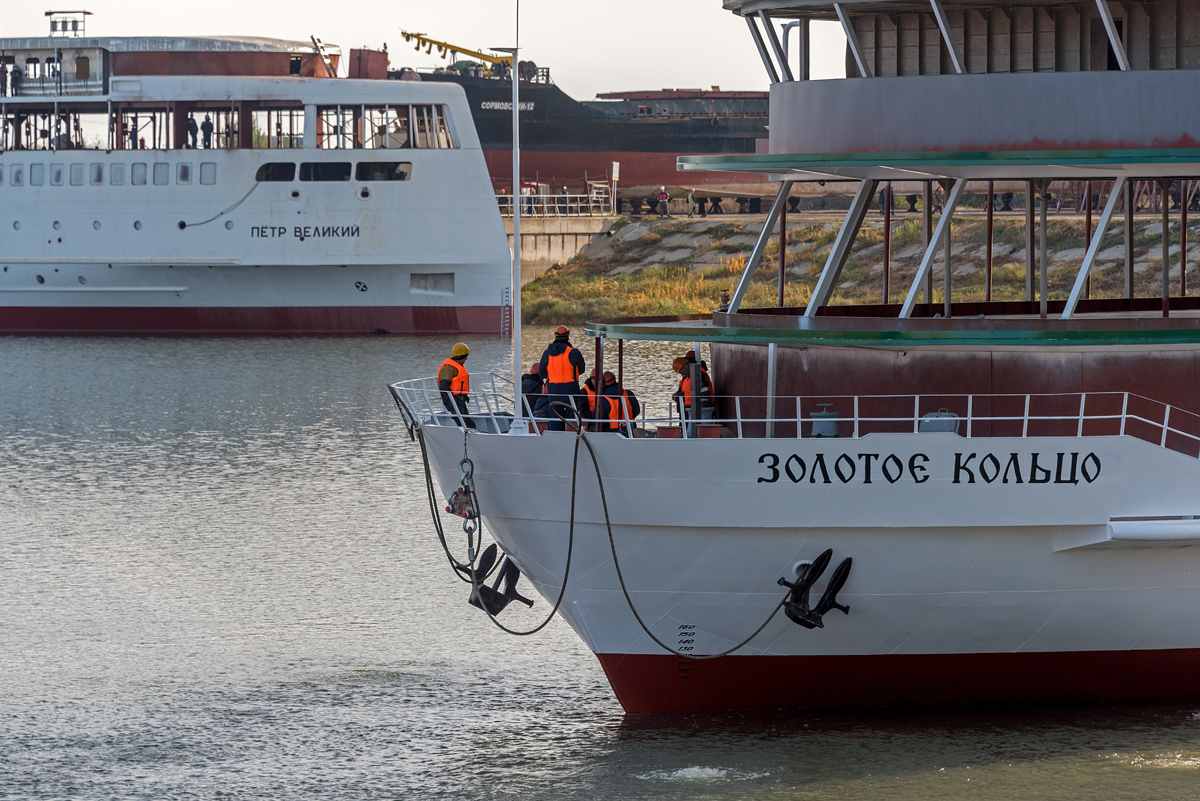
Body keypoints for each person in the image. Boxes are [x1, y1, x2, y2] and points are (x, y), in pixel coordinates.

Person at [538, 325, 586, 431]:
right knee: (571, 423)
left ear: (555, 336)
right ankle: (571, 443)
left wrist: (552, 376)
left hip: (554, 393)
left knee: (555, 422)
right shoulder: (574, 353)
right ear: (568, 336)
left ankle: (555, 443)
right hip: (571, 391)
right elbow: (582, 369)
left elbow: (541, 372)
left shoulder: (547, 354)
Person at [673, 355, 713, 435]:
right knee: (687, 429)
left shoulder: (699, 374)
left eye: (682, 371)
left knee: (695, 431)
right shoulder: (687, 378)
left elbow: (704, 391)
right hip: (688, 409)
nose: (682, 374)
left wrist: (704, 405)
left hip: (699, 409)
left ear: (687, 367)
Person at [437, 342, 474, 428]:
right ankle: (464, 437)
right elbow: (444, 386)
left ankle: (471, 433)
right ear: (461, 357)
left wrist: (464, 396)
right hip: (453, 400)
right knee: (462, 422)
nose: (466, 359)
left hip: (459, 399)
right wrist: (452, 401)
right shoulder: (448, 368)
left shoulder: (458, 366)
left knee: (469, 422)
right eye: (465, 356)